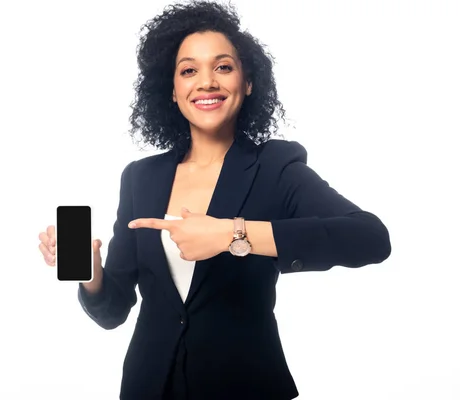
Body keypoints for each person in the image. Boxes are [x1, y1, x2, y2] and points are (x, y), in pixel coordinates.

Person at [38, 1, 391, 399]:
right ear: (172, 91)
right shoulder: (141, 177)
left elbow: (371, 238)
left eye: (223, 67)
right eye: (189, 70)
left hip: (244, 386)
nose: (206, 82)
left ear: (249, 81)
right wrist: (92, 272)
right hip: (149, 387)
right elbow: (113, 311)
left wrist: (232, 234)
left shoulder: (275, 167)